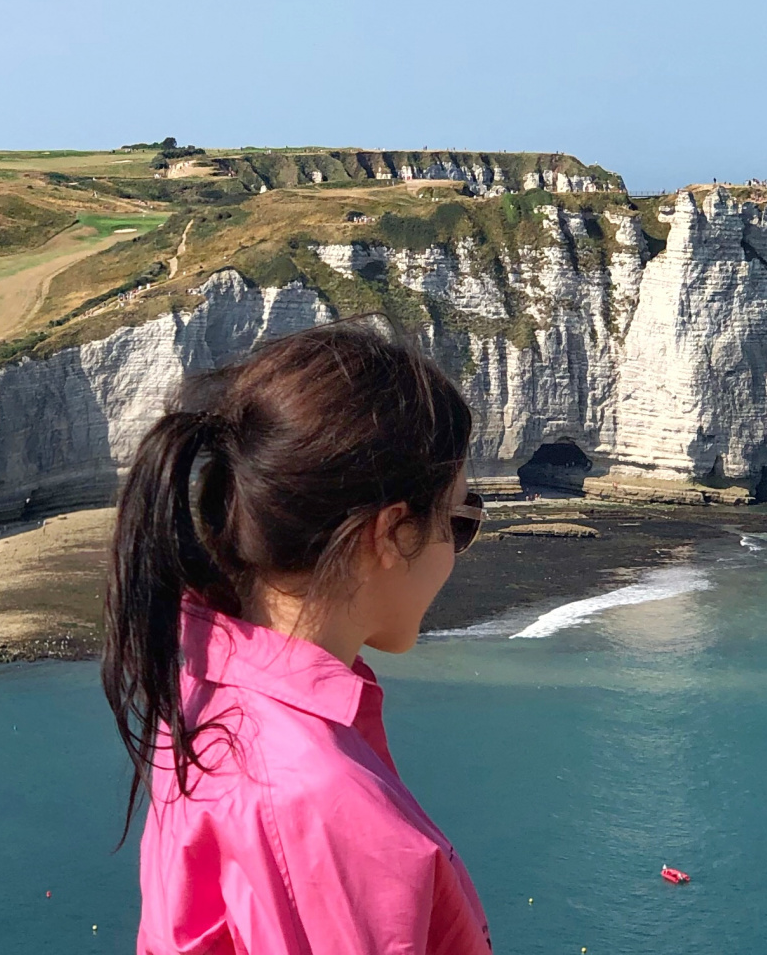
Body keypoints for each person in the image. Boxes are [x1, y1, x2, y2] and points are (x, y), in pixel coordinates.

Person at [105, 320, 491, 954]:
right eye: (459, 522)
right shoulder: (319, 796)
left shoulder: (203, 690)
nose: (456, 554)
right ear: (392, 533)